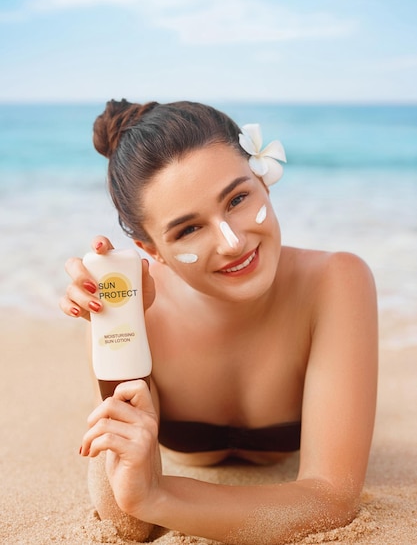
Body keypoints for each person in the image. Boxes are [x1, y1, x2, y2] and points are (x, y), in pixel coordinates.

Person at [60, 99, 378, 544]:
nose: (232, 242)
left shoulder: (335, 282)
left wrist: (159, 498)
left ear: (264, 179)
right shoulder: (135, 310)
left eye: (238, 198)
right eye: (188, 229)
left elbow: (333, 501)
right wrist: (113, 329)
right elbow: (126, 519)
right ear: (150, 250)